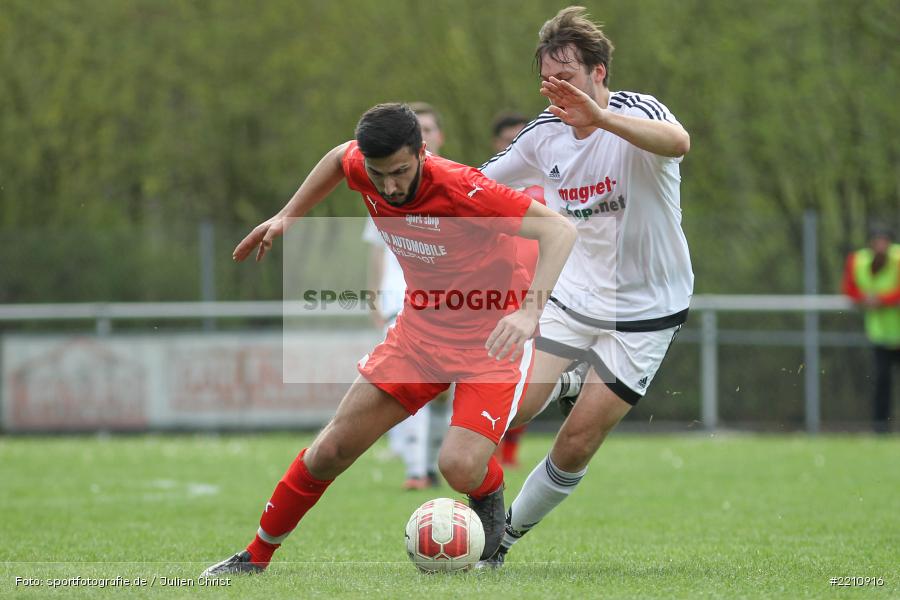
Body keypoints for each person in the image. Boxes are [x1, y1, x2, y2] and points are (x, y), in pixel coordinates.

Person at [201, 103, 576, 576]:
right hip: (419, 338)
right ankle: (254, 558)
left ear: (422, 153)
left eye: (401, 172)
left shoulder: (464, 188)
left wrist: (529, 311)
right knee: (329, 451)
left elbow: (559, 230)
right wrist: (287, 217)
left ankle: (488, 491)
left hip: (491, 340)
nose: (391, 186)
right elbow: (340, 158)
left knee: (458, 467)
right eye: (380, 176)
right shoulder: (364, 166)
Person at [477, 6, 693, 566]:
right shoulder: (542, 136)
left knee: (575, 443)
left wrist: (600, 118)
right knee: (512, 410)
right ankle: (569, 381)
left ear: (599, 73)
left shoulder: (636, 112)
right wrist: (409, 183)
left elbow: (678, 142)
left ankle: (502, 542)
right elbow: (476, 185)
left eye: (567, 78)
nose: (557, 91)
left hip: (648, 309)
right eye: (548, 81)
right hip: (574, 298)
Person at [364, 102, 450, 489]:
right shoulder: (385, 185)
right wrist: (375, 300)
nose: (427, 135)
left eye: (430, 129)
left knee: (445, 393)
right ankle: (416, 470)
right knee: (413, 383)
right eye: (421, 128)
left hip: (453, 303)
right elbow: (378, 250)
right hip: (402, 299)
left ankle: (429, 465)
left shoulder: (460, 185)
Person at [842, 225, 900, 433]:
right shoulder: (858, 260)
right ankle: (880, 428)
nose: (881, 246)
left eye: (885, 241)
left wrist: (882, 300)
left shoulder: (897, 258)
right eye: (877, 241)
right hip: (880, 334)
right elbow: (848, 288)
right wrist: (864, 299)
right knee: (881, 383)